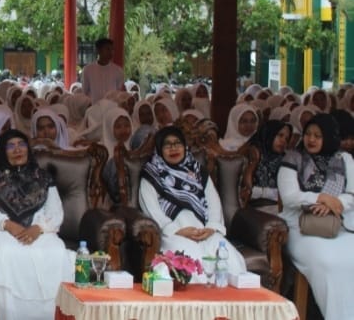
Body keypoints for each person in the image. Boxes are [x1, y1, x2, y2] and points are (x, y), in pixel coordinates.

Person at [0, 129, 73, 320]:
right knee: (5, 251)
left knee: (56, 249)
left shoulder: (42, 177)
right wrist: (7, 224)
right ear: (3, 151)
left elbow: (55, 210)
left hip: (37, 227)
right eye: (11, 146)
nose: (17, 150)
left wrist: (39, 228)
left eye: (21, 144)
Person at [139, 126, 246, 275]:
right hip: (173, 234)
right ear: (159, 150)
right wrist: (177, 230)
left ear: (185, 146)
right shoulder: (152, 175)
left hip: (203, 231)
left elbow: (213, 202)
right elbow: (150, 209)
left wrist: (211, 228)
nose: (173, 148)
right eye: (167, 144)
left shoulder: (198, 172)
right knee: (191, 262)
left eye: (177, 143)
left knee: (230, 261)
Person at [277, 114, 354, 320]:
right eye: (309, 134)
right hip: (301, 227)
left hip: (339, 224)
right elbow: (289, 196)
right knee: (327, 261)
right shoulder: (293, 158)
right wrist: (320, 198)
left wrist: (334, 205)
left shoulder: (344, 159)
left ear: (329, 137)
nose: (311, 139)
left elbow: (352, 194)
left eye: (318, 136)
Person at [250, 120, 292, 212]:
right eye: (280, 135)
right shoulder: (253, 156)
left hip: (279, 208)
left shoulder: (286, 160)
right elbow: (245, 192)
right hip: (254, 209)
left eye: (286, 139)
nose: (283, 141)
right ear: (268, 134)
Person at [81, 38, 125, 103]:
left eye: (112, 49)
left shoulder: (118, 70)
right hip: (94, 107)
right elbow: (85, 91)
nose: (111, 52)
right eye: (108, 49)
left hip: (112, 108)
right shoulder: (88, 70)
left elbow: (119, 91)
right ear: (98, 50)